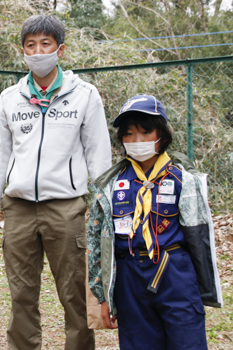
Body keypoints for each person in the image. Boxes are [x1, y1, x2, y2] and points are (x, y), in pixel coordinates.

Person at [0, 14, 112, 350]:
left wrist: (103, 206)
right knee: (21, 294)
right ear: (22, 50)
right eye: (30, 45)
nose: (38, 51)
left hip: (67, 208)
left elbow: (98, 153)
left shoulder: (84, 95)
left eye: (45, 44)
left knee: (74, 293)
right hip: (19, 208)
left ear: (60, 49)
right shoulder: (10, 98)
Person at [87, 95, 222, 349]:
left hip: (175, 272)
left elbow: (199, 238)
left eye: (146, 132)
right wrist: (103, 297)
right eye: (129, 134)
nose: (137, 141)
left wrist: (204, 288)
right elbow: (97, 243)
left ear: (163, 134)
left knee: (187, 341)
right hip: (130, 275)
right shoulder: (111, 185)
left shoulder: (183, 179)